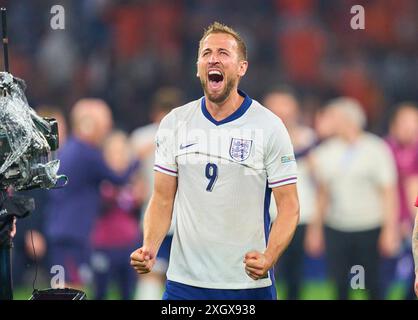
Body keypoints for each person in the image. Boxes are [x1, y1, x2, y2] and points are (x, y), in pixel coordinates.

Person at [130, 22, 300, 300]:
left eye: (223, 52)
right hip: (184, 282)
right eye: (206, 52)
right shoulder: (175, 122)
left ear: (242, 67)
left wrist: (269, 256)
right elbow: (162, 199)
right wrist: (149, 246)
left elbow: (289, 205)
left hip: (246, 283)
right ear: (198, 66)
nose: (213, 58)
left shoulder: (269, 126)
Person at [305, 97, 399, 300]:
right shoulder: (324, 152)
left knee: (370, 283)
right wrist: (315, 230)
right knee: (340, 283)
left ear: (348, 119)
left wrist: (390, 230)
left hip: (369, 226)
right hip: (337, 227)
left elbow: (388, 192)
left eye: (333, 117)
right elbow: (322, 194)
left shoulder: (376, 148)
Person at [45, 99, 139, 289]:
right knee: (70, 285)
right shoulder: (86, 153)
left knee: (65, 284)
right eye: (104, 125)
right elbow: (118, 179)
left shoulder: (71, 149)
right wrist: (137, 159)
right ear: (89, 125)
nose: (107, 131)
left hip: (63, 230)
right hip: (72, 234)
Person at [130, 87, 184, 300]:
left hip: (167, 216)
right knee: (153, 271)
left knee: (162, 273)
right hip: (162, 216)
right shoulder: (144, 137)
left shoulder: (141, 137)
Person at [263, 87, 317, 299]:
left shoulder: (309, 138)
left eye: (286, 110)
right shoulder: (259, 139)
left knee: (295, 274)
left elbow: (320, 181)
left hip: (300, 215)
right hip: (267, 214)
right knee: (264, 271)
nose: (282, 115)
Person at [91, 130, 143, 300]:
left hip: (130, 244)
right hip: (103, 244)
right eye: (113, 152)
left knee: (128, 292)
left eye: (122, 151)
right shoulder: (99, 177)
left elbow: (140, 201)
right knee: (100, 293)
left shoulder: (134, 178)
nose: (118, 156)